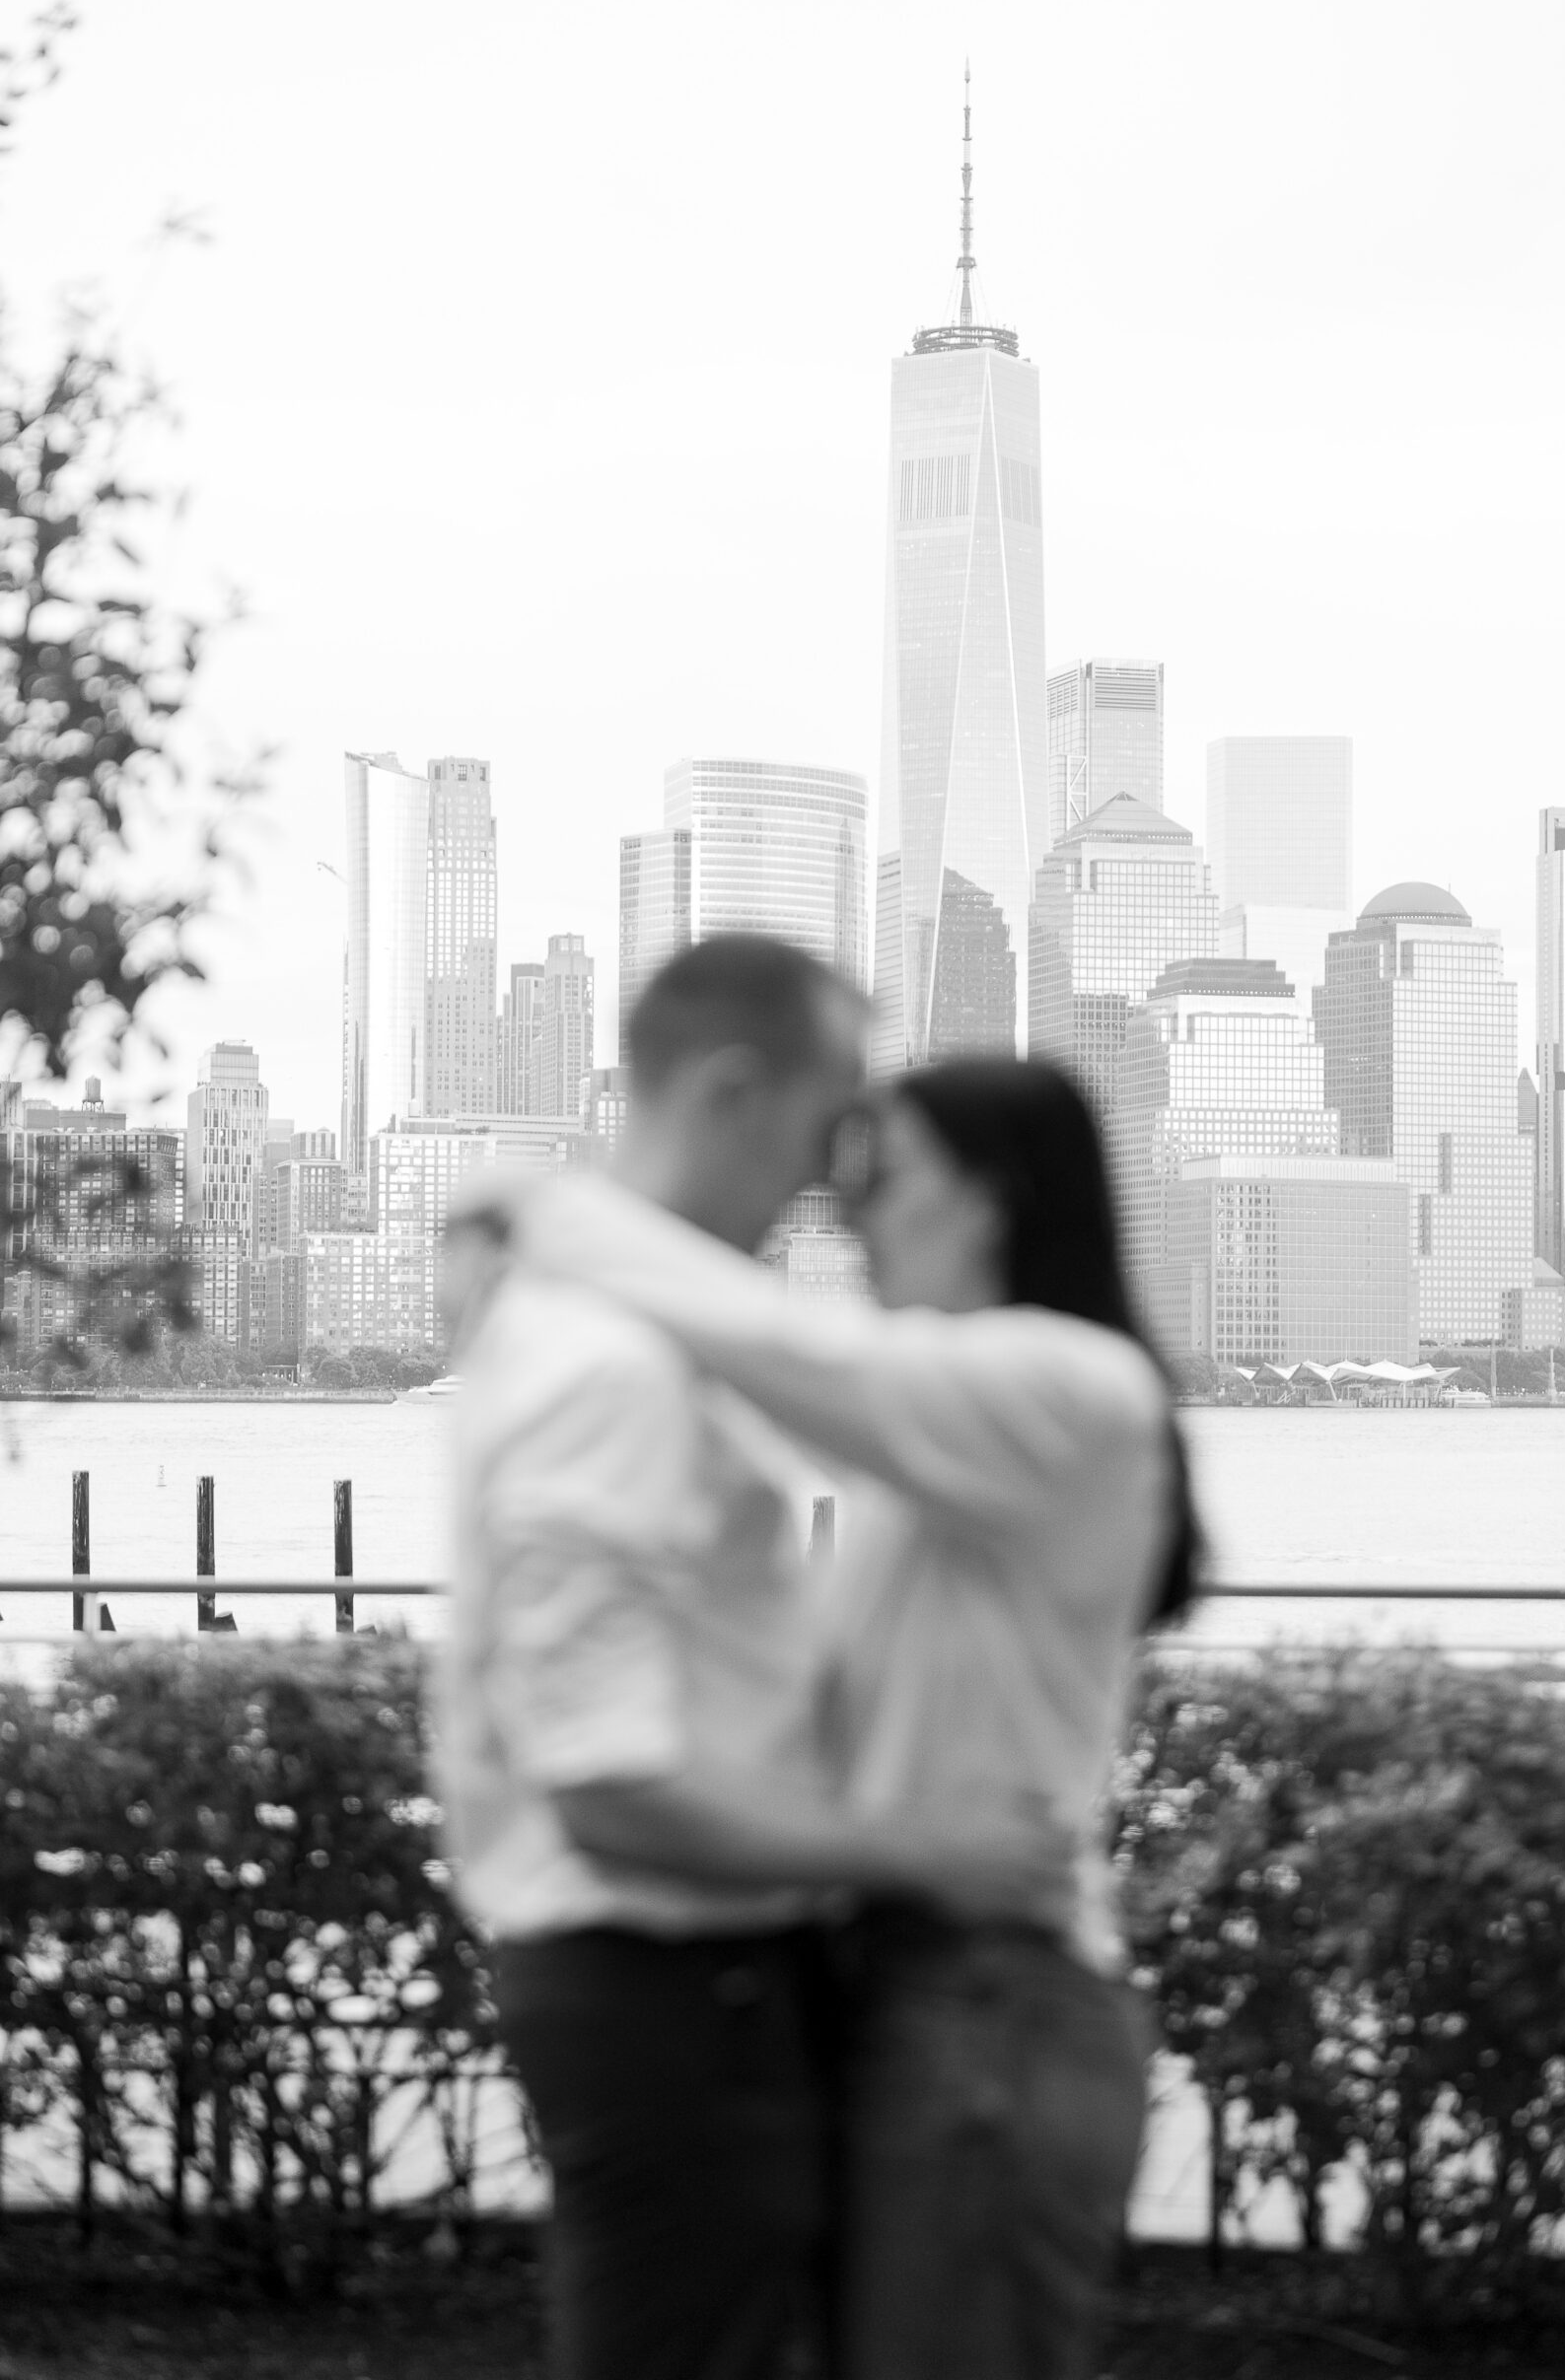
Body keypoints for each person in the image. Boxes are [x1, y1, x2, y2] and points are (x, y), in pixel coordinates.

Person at [506, 1054, 1201, 2380]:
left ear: (990, 1198)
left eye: (879, 1175)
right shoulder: (923, 1465)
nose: (843, 1213)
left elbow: (793, 1353)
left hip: (988, 2002)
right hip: (900, 1993)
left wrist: (539, 1208)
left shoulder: (1075, 1386)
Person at [437, 943, 1066, 2380]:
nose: (837, 1181)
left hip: (688, 1982)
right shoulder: (608, 1372)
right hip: (665, 1989)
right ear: (731, 1092)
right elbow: (604, 1783)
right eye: (828, 1122)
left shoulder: (615, 1332)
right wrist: (923, 1851)